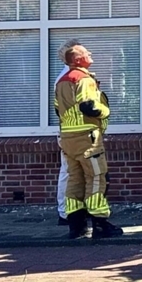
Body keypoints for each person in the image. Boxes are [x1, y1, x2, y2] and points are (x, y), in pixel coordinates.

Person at [55, 43, 123, 239]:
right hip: (87, 138)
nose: (90, 53)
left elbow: (57, 109)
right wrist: (106, 111)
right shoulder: (84, 79)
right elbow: (88, 106)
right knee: (96, 178)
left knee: (74, 180)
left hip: (68, 139)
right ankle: (100, 224)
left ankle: (76, 226)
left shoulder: (61, 81)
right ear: (78, 60)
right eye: (86, 52)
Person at [54, 39, 82, 226]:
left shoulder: (68, 77)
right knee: (69, 170)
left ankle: (70, 210)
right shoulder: (68, 79)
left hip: (73, 131)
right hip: (72, 132)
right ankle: (65, 211)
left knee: (74, 171)